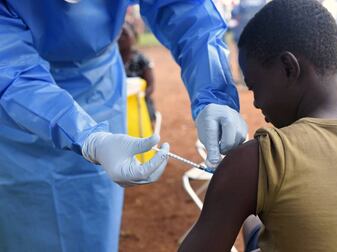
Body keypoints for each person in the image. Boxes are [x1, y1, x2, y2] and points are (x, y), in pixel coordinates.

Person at [0, 0, 247, 251]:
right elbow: (11, 72)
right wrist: (88, 138)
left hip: (99, 90)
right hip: (19, 113)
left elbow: (186, 9)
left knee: (91, 218)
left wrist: (214, 92)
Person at [178, 1, 337, 251]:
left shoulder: (264, 158)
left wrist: (232, 178)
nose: (257, 102)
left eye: (255, 86)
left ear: (288, 68)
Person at [118, 23, 157, 122]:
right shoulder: (112, 62)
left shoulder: (142, 60)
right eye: (118, 35)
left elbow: (151, 85)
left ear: (134, 37)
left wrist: (140, 96)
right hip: (117, 104)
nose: (121, 38)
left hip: (139, 103)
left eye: (125, 34)